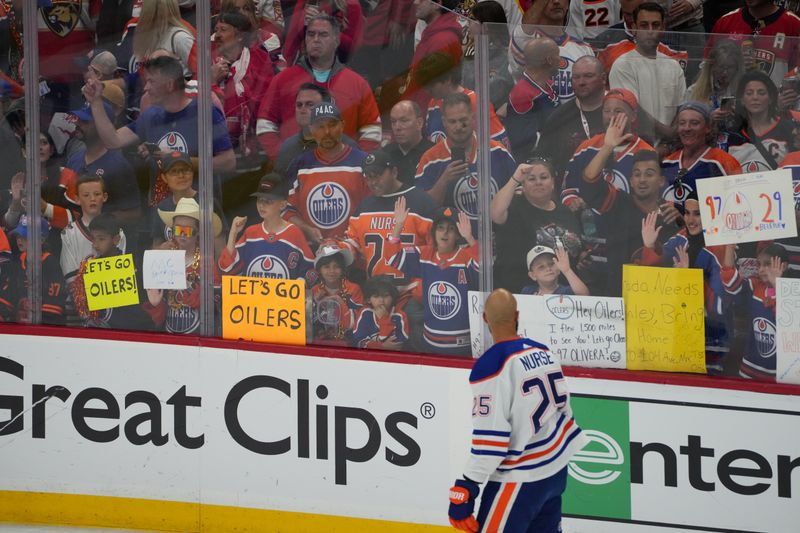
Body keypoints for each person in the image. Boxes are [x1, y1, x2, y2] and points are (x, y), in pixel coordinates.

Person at [447, 288, 585, 533]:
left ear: (485, 319)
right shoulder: (543, 352)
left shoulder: (491, 366)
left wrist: (467, 485)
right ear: (517, 315)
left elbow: (491, 442)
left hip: (520, 480)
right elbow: (564, 410)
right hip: (554, 474)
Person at [255, 15, 381, 160]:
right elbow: (265, 125)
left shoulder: (357, 83)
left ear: (337, 41)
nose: (315, 39)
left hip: (343, 171)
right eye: (311, 34)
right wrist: (283, 159)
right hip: (295, 172)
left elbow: (372, 130)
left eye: (323, 34)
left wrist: (357, 162)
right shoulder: (282, 80)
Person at [82, 56, 236, 174]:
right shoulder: (151, 115)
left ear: (169, 85)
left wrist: (181, 160)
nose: (146, 88)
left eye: (151, 82)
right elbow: (113, 141)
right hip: (160, 210)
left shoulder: (204, 112)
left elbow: (228, 162)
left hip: (197, 210)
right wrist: (95, 102)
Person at [640, 192, 732, 375]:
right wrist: (649, 245)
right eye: (687, 213)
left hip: (711, 340)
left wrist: (687, 277)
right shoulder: (680, 238)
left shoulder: (720, 248)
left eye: (697, 213)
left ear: (710, 214)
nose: (690, 220)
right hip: (678, 331)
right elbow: (652, 277)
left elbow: (720, 307)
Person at [581, 146, 682, 296]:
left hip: (660, 298)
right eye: (637, 174)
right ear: (631, 181)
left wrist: (681, 220)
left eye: (649, 174)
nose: (642, 180)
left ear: (661, 181)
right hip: (618, 296)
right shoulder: (617, 202)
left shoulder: (672, 213)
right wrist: (607, 145)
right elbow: (589, 181)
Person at [384, 203, 478, 356]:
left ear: (458, 234)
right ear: (434, 231)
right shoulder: (425, 254)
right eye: (440, 227)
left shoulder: (465, 256)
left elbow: (484, 268)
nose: (445, 233)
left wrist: (470, 238)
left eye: (451, 229)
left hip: (463, 346)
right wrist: (399, 225)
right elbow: (393, 258)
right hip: (430, 344)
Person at [415, 93, 517, 224]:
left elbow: (517, 194)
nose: (458, 127)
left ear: (473, 118)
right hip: (454, 240)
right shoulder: (430, 159)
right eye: (452, 121)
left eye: (463, 120)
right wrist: (444, 181)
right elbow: (422, 209)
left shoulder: (497, 151)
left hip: (497, 235)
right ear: (444, 122)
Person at [341, 147, 436, 279]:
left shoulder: (421, 203)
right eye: (368, 177)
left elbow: (437, 250)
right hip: (376, 294)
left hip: (412, 293)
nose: (372, 182)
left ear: (394, 172)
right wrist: (339, 248)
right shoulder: (364, 207)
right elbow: (354, 244)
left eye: (377, 176)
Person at [491, 160, 584, 293]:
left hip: (563, 295)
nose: (538, 182)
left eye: (544, 177)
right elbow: (495, 213)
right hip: (517, 295)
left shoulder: (566, 211)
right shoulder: (514, 207)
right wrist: (515, 178)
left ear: (553, 182)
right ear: (523, 184)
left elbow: (576, 245)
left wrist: (581, 257)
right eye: (531, 179)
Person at [285, 102, 369, 243]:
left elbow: (374, 208)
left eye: (332, 125)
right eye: (320, 127)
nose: (327, 132)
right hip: (311, 253)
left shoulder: (363, 162)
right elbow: (286, 210)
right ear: (311, 129)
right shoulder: (300, 165)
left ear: (342, 125)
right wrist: (305, 228)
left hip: (353, 250)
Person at [608, 2, 687, 143]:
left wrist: (670, 141)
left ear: (663, 28)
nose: (650, 31)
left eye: (656, 25)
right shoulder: (622, 65)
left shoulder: (674, 66)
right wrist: (667, 132)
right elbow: (632, 109)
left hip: (669, 147)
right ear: (634, 29)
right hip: (634, 146)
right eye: (644, 25)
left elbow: (681, 107)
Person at [145, 198, 223, 334]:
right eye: (177, 229)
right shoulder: (162, 259)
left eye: (187, 231)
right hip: (169, 335)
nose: (181, 235)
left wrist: (201, 298)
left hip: (199, 337)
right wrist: (156, 305)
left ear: (198, 232)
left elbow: (216, 306)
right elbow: (157, 318)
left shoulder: (208, 264)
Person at [219, 173, 315, 281]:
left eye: (268, 201)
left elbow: (310, 272)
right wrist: (233, 233)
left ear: (283, 204)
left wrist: (296, 287)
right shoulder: (251, 233)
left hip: (282, 298)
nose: (262, 205)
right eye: (259, 199)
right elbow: (226, 268)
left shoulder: (294, 233)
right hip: (254, 298)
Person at [69, 214, 153, 330]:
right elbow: (82, 301)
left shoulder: (128, 266)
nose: (96, 244)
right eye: (93, 239)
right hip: (101, 327)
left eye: (101, 239)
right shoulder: (90, 266)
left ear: (116, 240)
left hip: (128, 328)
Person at [44, 174, 127, 289]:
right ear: (77, 199)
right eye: (86, 195)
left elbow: (119, 276)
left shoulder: (119, 233)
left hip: (112, 303)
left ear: (104, 197)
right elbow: (70, 277)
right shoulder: (69, 233)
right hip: (79, 303)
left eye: (97, 194)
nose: (92, 199)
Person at [211, 10, 274, 160]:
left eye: (223, 30)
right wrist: (212, 82)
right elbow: (195, 100)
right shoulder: (206, 61)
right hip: (216, 144)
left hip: (255, 144)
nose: (217, 35)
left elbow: (266, 99)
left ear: (239, 36)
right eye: (216, 30)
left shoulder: (259, 59)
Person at [721, 243, 789, 381]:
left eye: (768, 264)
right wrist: (728, 248)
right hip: (750, 368)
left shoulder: (792, 292)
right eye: (759, 265)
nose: (762, 270)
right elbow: (730, 283)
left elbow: (788, 322)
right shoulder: (756, 285)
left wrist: (778, 285)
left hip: (780, 374)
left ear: (784, 266)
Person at [508, 0, 595, 105]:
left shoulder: (584, 48)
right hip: (535, 116)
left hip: (574, 118)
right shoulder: (527, 42)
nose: (556, 1)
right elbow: (524, 30)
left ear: (568, 4)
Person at [414, 52, 508, 147]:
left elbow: (501, 146)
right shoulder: (433, 104)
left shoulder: (476, 103)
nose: (426, 90)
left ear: (447, 79)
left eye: (431, 85)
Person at [706, 0, 800, 90]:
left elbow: (796, 76)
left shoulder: (794, 24)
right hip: (731, 102)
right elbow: (706, 71)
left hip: (778, 104)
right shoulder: (725, 22)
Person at [537, 56, 607, 177]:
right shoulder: (559, 117)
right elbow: (543, 160)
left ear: (603, 78)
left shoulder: (621, 109)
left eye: (588, 76)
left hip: (616, 187)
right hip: (570, 191)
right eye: (576, 77)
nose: (581, 82)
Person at [661, 102, 742, 205]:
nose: (687, 128)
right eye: (682, 123)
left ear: (708, 127)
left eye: (694, 123)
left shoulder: (723, 162)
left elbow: (739, 202)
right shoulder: (667, 163)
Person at [273, 84, 358, 176]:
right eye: (299, 105)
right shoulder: (287, 146)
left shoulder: (347, 146)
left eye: (310, 105)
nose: (303, 110)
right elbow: (280, 184)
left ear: (326, 107)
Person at [505, 37, 561, 162]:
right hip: (533, 165)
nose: (560, 59)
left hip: (552, 158)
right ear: (549, 60)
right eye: (557, 55)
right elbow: (524, 141)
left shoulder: (549, 85)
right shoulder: (522, 95)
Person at [726, 70, 794, 171]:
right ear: (742, 100)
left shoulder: (789, 129)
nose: (755, 97)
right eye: (749, 93)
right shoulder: (732, 134)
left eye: (761, 93)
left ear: (771, 98)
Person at [405, 0, 463, 109]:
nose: (415, 2)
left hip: (424, 115)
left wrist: (417, 117)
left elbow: (434, 87)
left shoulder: (441, 40)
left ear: (437, 4)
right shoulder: (432, 35)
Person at [311, 242, 363, 345]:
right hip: (319, 343)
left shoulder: (354, 289)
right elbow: (309, 324)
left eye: (337, 267)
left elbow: (360, 323)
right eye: (326, 267)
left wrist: (340, 302)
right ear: (319, 270)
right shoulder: (314, 290)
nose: (332, 271)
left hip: (349, 343)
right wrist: (315, 303)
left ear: (343, 269)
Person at [282, 0, 364, 65]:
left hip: (333, 68)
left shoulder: (351, 5)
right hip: (304, 63)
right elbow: (292, 38)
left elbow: (352, 48)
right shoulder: (307, 2)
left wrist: (326, 26)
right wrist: (285, 63)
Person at [384, 100, 435, 186]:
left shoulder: (434, 154)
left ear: (419, 123)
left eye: (404, 121)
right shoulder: (385, 154)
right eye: (393, 122)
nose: (397, 127)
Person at [352, 275, 409, 350]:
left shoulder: (399, 316)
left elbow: (397, 345)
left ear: (392, 297)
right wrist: (381, 346)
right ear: (369, 299)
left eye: (386, 296)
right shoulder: (365, 313)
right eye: (376, 296)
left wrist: (384, 319)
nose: (381, 300)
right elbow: (358, 342)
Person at [522, 245, 590, 296]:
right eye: (541, 267)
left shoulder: (567, 291)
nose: (548, 268)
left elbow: (584, 295)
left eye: (551, 264)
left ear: (558, 268)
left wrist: (567, 270)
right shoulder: (528, 292)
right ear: (532, 275)